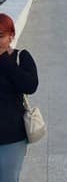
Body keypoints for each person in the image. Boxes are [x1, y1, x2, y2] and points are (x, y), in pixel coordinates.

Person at [0, 13, 39, 182]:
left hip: (12, 136)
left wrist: (4, 60)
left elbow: (30, 86)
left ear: (11, 36)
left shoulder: (21, 57)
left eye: (0, 36)